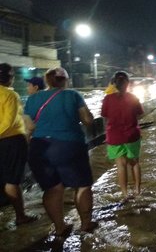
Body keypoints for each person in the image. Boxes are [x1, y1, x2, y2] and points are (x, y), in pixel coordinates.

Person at [25, 67, 97, 236]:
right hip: (70, 147)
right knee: (82, 186)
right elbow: (87, 120)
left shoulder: (33, 99)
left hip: (40, 148)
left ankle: (59, 227)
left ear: (47, 81)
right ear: (65, 80)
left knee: (53, 188)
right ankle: (86, 224)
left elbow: (28, 127)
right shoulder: (73, 95)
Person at [0, 63, 37, 227]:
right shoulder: (10, 95)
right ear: (10, 78)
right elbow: (8, 122)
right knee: (12, 180)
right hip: (11, 141)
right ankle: (20, 216)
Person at [101, 71, 144, 200]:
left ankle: (125, 194)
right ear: (127, 84)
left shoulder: (108, 99)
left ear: (114, 83)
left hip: (114, 136)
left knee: (121, 165)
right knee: (135, 162)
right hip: (132, 135)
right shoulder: (133, 97)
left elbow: (105, 117)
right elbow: (140, 114)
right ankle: (137, 190)